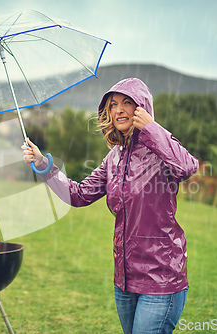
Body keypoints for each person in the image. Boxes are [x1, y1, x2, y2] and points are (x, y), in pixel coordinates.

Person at [22, 78, 199, 334]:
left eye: (128, 102)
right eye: (113, 104)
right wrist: (43, 165)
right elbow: (78, 195)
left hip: (161, 281)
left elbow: (188, 167)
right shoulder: (113, 157)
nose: (119, 109)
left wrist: (152, 128)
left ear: (143, 107)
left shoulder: (161, 152)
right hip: (125, 282)